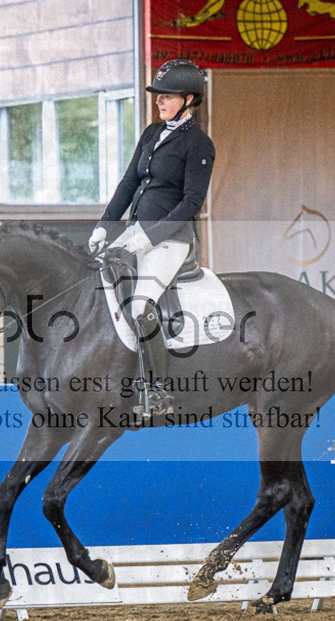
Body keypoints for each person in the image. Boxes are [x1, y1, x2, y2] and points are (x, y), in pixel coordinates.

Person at [89, 58, 215, 417]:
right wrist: (105, 225)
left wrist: (148, 238)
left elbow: (191, 203)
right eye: (158, 95)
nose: (159, 101)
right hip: (135, 231)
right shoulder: (150, 132)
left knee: (141, 305)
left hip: (171, 240)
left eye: (167, 96)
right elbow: (129, 182)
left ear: (189, 99)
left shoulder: (199, 145)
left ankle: (157, 390)